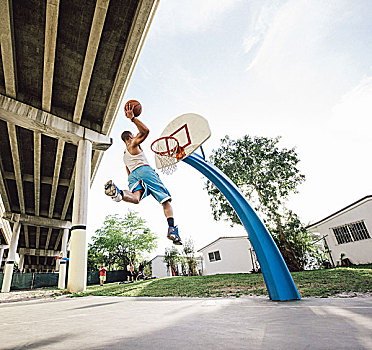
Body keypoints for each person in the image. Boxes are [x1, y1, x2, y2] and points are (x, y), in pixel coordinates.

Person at [104, 103, 182, 245]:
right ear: (131, 136)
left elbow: (128, 170)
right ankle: (172, 228)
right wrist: (133, 118)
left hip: (132, 175)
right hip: (145, 171)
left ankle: (119, 194)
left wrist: (132, 180)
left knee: (136, 198)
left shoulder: (124, 154)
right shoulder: (133, 144)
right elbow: (146, 131)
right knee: (166, 200)